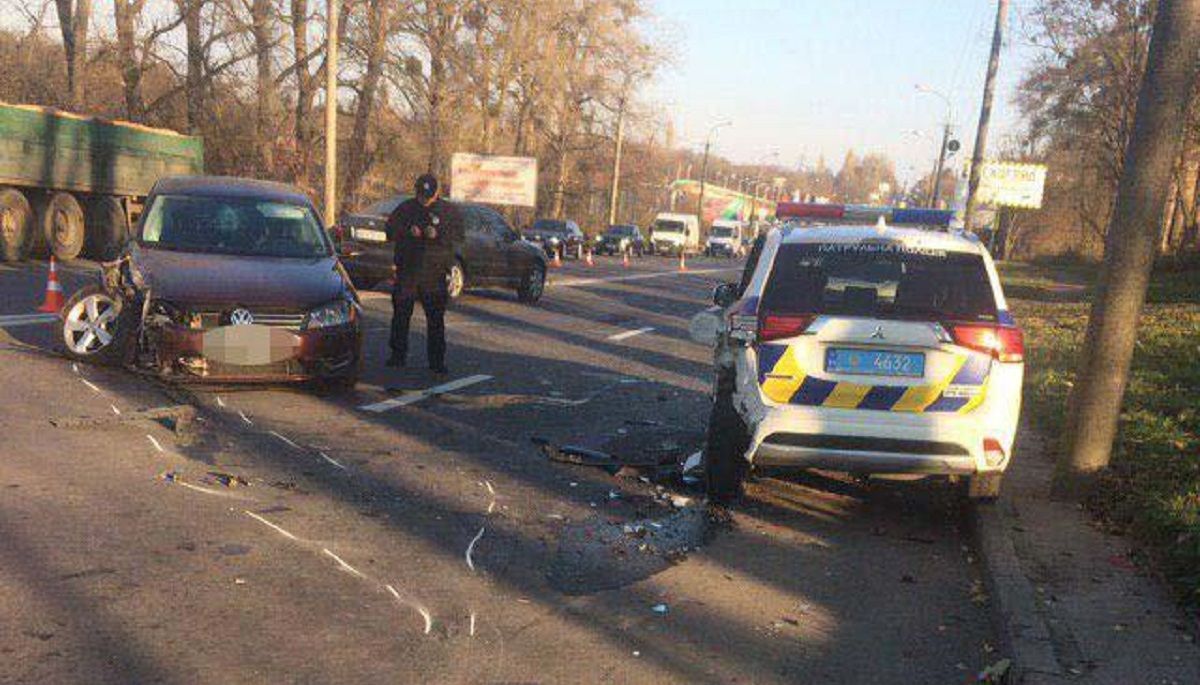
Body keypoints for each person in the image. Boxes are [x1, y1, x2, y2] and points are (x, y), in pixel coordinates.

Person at [384, 174, 462, 374]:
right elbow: (390, 229)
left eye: (428, 196)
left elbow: (458, 237)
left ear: (436, 193)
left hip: (434, 273)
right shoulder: (406, 209)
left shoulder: (448, 211)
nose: (424, 200)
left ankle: (436, 361)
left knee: (435, 319)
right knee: (401, 316)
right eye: (421, 195)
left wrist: (438, 235)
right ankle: (397, 355)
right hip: (408, 271)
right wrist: (408, 230)